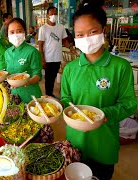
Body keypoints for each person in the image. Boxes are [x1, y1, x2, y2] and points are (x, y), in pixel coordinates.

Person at [60, 1, 137, 179]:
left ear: (104, 30)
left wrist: (101, 116)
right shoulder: (71, 68)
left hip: (104, 143)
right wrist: (56, 106)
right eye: (80, 34)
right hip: (74, 142)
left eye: (92, 32)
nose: (86, 38)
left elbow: (129, 104)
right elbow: (66, 100)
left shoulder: (120, 67)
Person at [38, 6, 76, 97]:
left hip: (57, 57)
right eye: (51, 14)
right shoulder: (43, 28)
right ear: (47, 15)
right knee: (48, 78)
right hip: (48, 58)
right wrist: (42, 59)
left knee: (54, 76)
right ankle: (48, 94)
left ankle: (50, 94)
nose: (53, 16)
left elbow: (64, 41)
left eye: (55, 14)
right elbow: (40, 45)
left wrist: (71, 48)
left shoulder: (61, 27)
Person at [4, 18, 42, 103]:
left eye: (19, 31)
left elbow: (38, 75)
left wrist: (26, 82)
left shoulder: (32, 52)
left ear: (24, 32)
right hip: (13, 94)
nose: (16, 35)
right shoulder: (7, 53)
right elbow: (8, 73)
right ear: (8, 34)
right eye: (12, 32)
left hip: (30, 95)